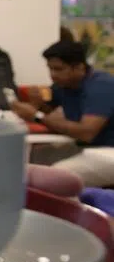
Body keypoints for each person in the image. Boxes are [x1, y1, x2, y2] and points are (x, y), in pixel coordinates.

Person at [12, 40, 114, 187]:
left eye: (58, 69)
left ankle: (67, 210)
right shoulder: (65, 85)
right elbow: (50, 114)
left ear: (79, 67)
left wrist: (36, 115)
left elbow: (87, 132)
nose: (52, 75)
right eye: (50, 69)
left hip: (108, 151)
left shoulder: (101, 87)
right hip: (88, 147)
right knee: (31, 160)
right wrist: (39, 105)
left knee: (54, 177)